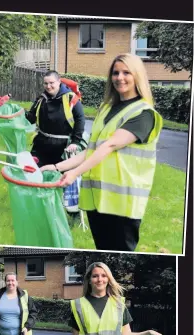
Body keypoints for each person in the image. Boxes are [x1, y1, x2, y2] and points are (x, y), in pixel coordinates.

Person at [41, 54, 163, 251]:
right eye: (115, 73)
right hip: (98, 202)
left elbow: (109, 146)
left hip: (123, 204)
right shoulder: (106, 108)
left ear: (137, 76)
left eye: (126, 72)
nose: (119, 78)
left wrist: (74, 173)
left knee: (121, 256)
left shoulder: (143, 114)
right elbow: (92, 150)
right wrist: (57, 166)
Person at [25, 70, 86, 167]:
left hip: (62, 148)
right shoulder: (41, 99)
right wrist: (15, 112)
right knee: (33, 174)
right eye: (45, 83)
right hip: (41, 145)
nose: (48, 86)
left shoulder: (71, 99)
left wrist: (75, 142)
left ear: (59, 82)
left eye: (51, 83)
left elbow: (80, 119)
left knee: (57, 179)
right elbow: (31, 118)